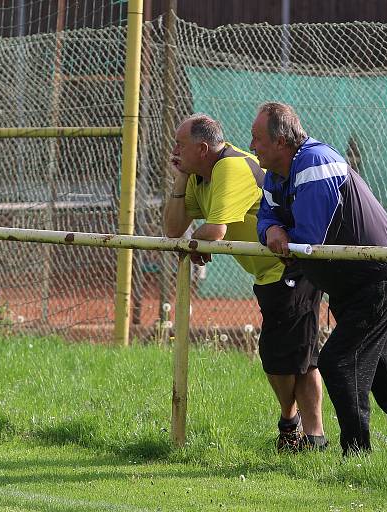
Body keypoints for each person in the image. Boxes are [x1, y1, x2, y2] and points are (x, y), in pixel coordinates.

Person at [250, 101, 387, 459]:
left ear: (281, 142)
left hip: (378, 276)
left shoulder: (315, 162)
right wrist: (272, 228)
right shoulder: (276, 172)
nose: (252, 145)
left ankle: (356, 454)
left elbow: (309, 238)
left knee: (338, 362)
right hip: (353, 284)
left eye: (258, 138)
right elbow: (266, 217)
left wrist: (279, 233)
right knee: (385, 377)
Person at [163, 113, 327, 452]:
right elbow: (174, 229)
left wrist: (198, 240)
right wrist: (180, 180)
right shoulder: (199, 176)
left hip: (291, 264)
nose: (174, 151)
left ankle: (306, 434)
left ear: (203, 148)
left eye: (181, 146)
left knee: (291, 356)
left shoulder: (229, 167)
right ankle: (301, 430)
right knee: (291, 356)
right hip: (269, 272)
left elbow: (214, 232)